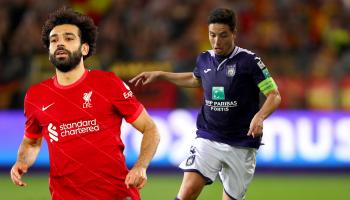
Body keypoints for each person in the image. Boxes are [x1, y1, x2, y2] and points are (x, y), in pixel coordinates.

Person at [130, 8, 281, 200]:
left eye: (223, 35)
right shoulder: (204, 58)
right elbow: (196, 80)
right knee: (188, 192)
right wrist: (161, 75)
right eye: (212, 35)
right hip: (208, 137)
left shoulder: (250, 61)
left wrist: (259, 116)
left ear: (234, 34)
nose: (217, 41)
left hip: (241, 143)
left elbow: (274, 95)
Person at [10, 8, 160, 200]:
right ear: (49, 50)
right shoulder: (36, 95)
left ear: (85, 48)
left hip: (116, 195)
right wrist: (21, 162)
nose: (60, 43)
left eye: (69, 38)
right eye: (54, 40)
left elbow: (151, 129)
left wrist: (141, 166)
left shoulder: (108, 83)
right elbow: (31, 141)